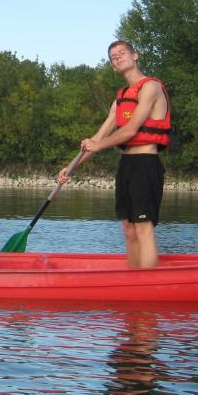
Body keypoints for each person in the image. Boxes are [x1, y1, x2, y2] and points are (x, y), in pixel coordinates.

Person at [58, 40, 171, 269]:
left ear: (135, 55)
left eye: (121, 53)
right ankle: (133, 281)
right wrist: (70, 168)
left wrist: (98, 146)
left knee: (143, 227)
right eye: (113, 57)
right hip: (126, 165)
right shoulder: (119, 100)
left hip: (145, 163)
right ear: (113, 66)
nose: (117, 57)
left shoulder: (151, 87)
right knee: (128, 229)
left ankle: (147, 286)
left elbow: (130, 130)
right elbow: (97, 138)